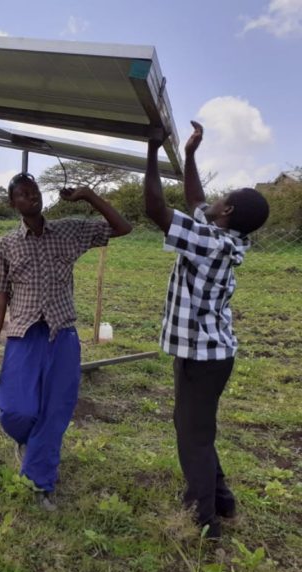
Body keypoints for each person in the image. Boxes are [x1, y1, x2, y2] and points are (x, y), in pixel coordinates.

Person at [144, 122, 269, 538]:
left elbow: (156, 211)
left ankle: (204, 521)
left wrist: (151, 151)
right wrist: (191, 155)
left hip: (203, 357)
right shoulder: (223, 234)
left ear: (228, 212)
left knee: (192, 436)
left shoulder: (210, 243)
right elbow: (196, 200)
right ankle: (222, 500)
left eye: (222, 199)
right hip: (212, 353)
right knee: (198, 428)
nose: (213, 201)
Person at [0, 172, 132, 511]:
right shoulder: (5, 245)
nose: (30, 197)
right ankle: (31, 444)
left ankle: (40, 483)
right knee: (15, 411)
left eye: (33, 191)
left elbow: (122, 228)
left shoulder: (69, 231)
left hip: (61, 334)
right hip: (23, 335)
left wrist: (89, 196)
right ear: (12, 203)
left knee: (56, 411)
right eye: (21, 194)